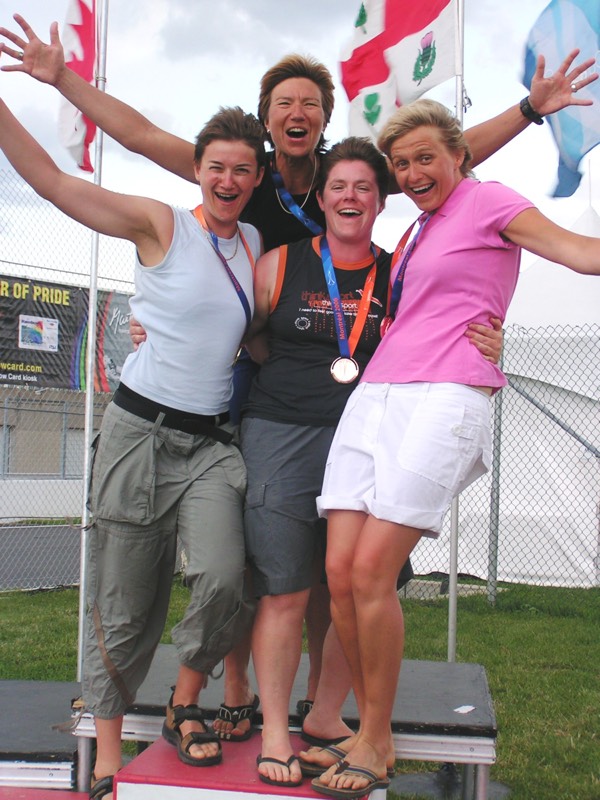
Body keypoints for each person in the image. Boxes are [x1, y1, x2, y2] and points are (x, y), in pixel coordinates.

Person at [0, 11, 592, 759]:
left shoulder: (344, 180)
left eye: (310, 102)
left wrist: (531, 110)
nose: (297, 112)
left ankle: (320, 707)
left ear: (325, 123)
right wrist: (63, 80)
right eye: (284, 102)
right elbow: (142, 136)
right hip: (256, 385)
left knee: (325, 573)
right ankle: (235, 689)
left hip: (352, 401)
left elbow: (444, 158)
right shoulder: (243, 175)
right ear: (266, 117)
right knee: (262, 563)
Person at [308, 98, 600, 800]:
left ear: (460, 156)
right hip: (376, 394)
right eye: (401, 163)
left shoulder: (489, 199)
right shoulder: (417, 227)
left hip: (444, 395)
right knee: (340, 571)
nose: (412, 173)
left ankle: (376, 738)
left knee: (373, 571)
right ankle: (368, 732)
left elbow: (579, 253)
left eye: (426, 159)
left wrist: (527, 111)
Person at [0, 97, 265, 800]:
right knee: (124, 601)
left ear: (256, 179)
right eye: (217, 167)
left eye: (242, 169)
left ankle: (185, 700)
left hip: (210, 444)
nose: (228, 180)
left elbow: (260, 332)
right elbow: (55, 185)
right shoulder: (162, 224)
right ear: (198, 170)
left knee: (225, 577)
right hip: (139, 435)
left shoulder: (254, 245)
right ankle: (110, 756)